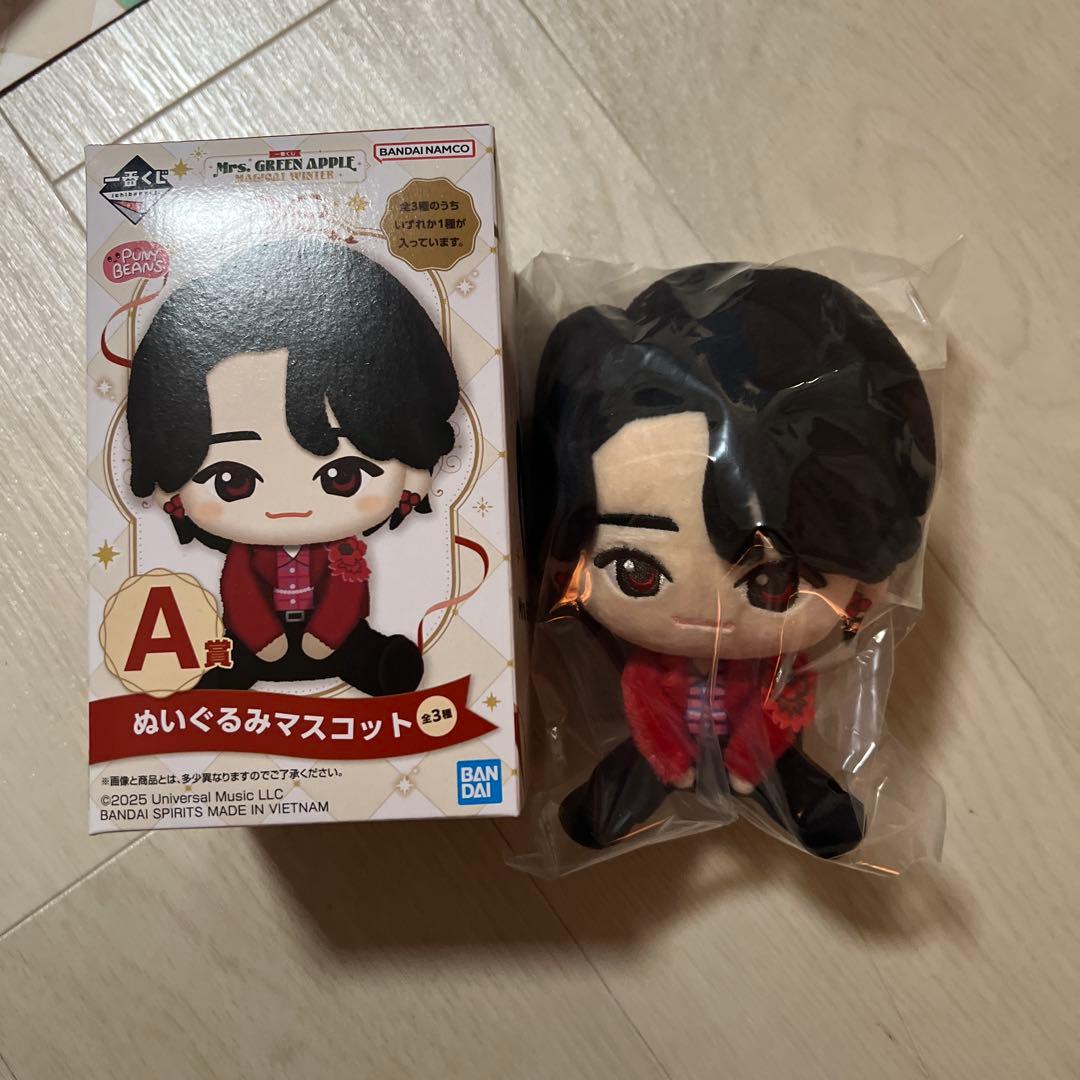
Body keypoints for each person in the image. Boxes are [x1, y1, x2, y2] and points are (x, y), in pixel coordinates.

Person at [529, 263, 936, 857]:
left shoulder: (779, 672)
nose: (706, 615)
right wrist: (670, 756)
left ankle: (791, 797)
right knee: (642, 763)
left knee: (778, 764)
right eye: (638, 573)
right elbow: (645, 704)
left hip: (759, 744)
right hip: (666, 744)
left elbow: (780, 710)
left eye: (773, 583)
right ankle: (630, 794)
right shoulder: (649, 669)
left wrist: (748, 760)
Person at [127, 238, 459, 695]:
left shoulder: (345, 552)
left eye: (342, 477)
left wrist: (327, 636)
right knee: (229, 659)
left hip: (335, 638)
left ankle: (375, 665)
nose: (289, 507)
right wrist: (263, 640)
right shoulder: (246, 557)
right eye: (233, 481)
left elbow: (347, 594)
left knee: (362, 651)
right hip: (257, 640)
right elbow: (240, 593)